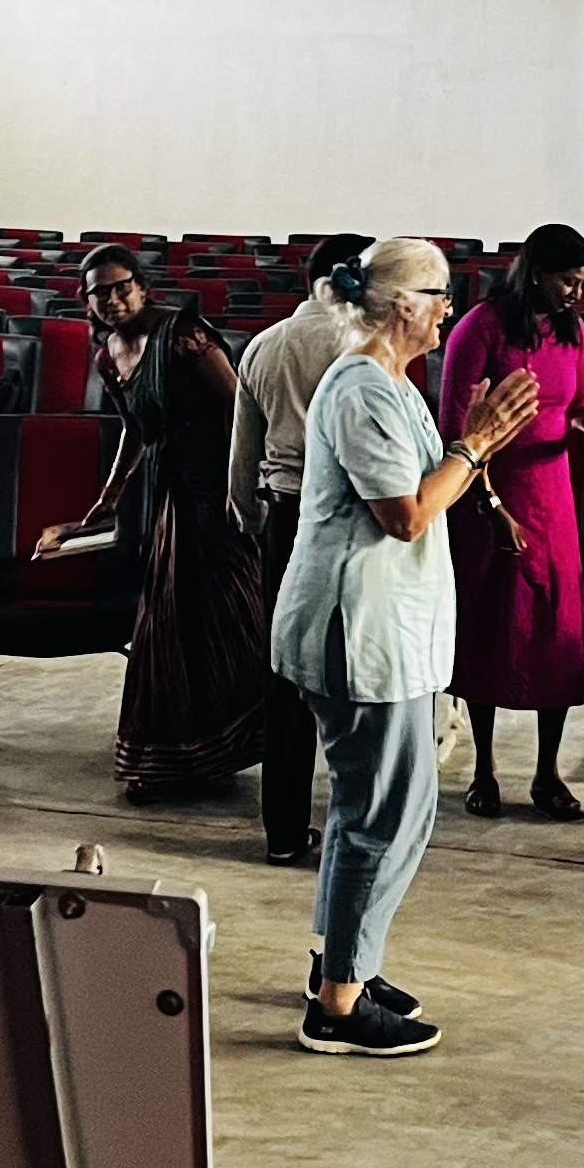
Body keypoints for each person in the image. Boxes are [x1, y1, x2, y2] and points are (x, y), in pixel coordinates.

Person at [271, 238, 540, 1059]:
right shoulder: (360, 389)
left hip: (390, 629)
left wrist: (475, 451)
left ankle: (344, 962)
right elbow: (407, 514)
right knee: (381, 816)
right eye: (440, 294)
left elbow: (431, 485)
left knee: (389, 810)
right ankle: (339, 1006)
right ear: (400, 305)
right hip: (359, 630)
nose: (450, 310)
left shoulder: (392, 381)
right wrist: (476, 444)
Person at [47, 246, 263, 803]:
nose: (113, 299)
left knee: (228, 619)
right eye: (100, 292)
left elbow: (239, 407)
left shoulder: (183, 335)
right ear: (87, 301)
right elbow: (137, 429)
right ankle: (181, 758)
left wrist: (240, 491)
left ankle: (232, 743)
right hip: (173, 494)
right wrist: (109, 496)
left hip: (216, 493)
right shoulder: (108, 355)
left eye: (122, 287)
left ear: (143, 288)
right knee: (170, 627)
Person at [441, 223, 584, 821]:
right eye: (567, 281)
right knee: (491, 628)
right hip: (490, 490)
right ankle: (484, 768)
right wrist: (492, 506)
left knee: (554, 633)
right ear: (536, 273)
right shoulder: (481, 327)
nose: (576, 293)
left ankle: (548, 772)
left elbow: (583, 408)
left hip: (553, 496)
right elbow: (457, 429)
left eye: (582, 282)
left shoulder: (572, 330)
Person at [229, 232, 370, 867]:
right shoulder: (363, 345)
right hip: (352, 514)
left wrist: (250, 519)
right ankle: (359, 827)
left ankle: (283, 830)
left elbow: (242, 458)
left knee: (284, 675)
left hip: (284, 515)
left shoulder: (264, 344)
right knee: (360, 669)